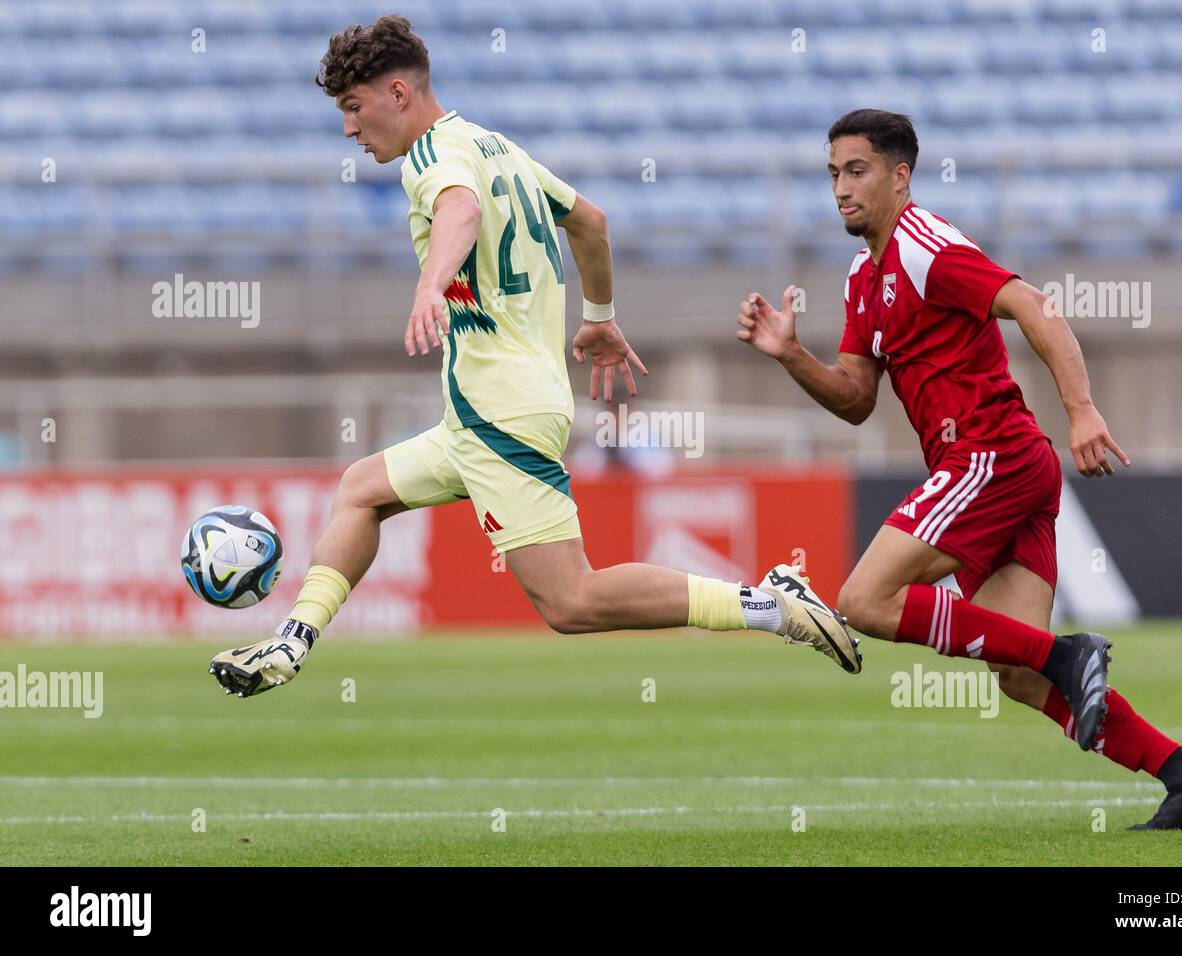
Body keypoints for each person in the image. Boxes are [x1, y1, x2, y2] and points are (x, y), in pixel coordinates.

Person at [207, 15, 861, 703]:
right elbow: (591, 221)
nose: (348, 130)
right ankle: (292, 641)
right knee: (361, 489)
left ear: (397, 92)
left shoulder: (432, 157)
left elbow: (460, 210)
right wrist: (600, 319)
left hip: (499, 410)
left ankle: (774, 606)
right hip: (491, 409)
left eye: (352, 107)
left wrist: (432, 281)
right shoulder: (498, 147)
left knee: (572, 601)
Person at [736, 108, 1182, 831]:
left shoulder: (923, 245)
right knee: (1021, 675)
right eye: (833, 174)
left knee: (865, 599)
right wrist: (791, 355)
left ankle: (1069, 653)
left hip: (988, 455)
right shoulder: (862, 276)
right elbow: (853, 398)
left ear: (900, 176)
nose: (841, 189)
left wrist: (1083, 410)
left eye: (857, 170)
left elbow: (1032, 305)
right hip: (1004, 468)